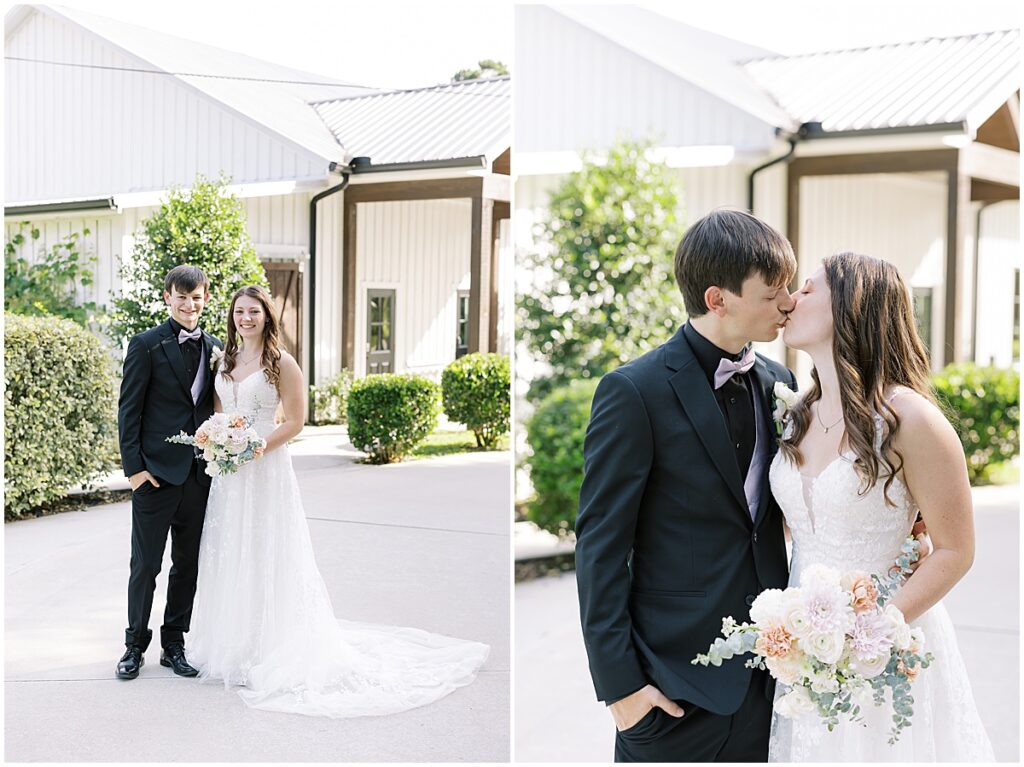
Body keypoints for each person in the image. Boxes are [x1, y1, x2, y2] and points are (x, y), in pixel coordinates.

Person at [186, 285, 489, 717]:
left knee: (267, 551)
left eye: (253, 311)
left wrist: (254, 448)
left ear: (267, 317)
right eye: (239, 311)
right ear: (231, 316)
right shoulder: (225, 360)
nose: (245, 318)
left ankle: (267, 645)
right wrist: (217, 442)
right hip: (230, 477)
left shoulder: (281, 363)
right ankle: (233, 645)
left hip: (265, 467)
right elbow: (220, 414)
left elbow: (295, 422)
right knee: (232, 552)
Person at [576, 209, 800, 761]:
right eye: (772, 294)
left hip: (772, 680)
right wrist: (621, 689)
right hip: (672, 687)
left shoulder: (782, 383)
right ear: (717, 298)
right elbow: (600, 547)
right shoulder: (633, 391)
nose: (788, 303)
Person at [767, 252, 994, 761]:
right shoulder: (796, 414)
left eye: (807, 288)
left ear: (851, 305)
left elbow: (955, 549)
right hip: (807, 651)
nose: (791, 299)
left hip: (886, 647)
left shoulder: (911, 419)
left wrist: (872, 633)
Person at [116, 265, 222, 679]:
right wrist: (135, 471)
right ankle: (133, 646)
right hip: (155, 476)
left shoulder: (215, 347)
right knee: (145, 565)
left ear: (205, 299)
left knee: (187, 565)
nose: (189, 304)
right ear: (167, 297)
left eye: (196, 297)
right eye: (181, 296)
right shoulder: (145, 345)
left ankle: (174, 644)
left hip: (199, 476)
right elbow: (129, 412)